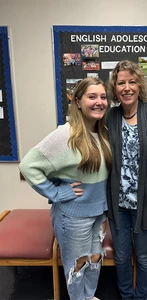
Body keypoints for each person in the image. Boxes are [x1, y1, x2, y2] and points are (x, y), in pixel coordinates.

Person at [19, 78, 112, 300]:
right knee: (78, 264)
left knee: (95, 259)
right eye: (92, 97)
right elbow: (28, 166)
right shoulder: (65, 134)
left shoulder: (103, 132)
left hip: (99, 213)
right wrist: (57, 193)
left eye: (102, 97)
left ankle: (88, 297)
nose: (99, 102)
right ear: (77, 102)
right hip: (73, 216)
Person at [106, 60, 147, 300]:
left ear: (139, 85)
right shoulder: (110, 117)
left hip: (145, 206)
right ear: (115, 88)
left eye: (132, 82)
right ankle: (126, 296)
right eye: (121, 82)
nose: (127, 87)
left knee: (143, 256)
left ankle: (140, 297)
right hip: (118, 205)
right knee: (122, 256)